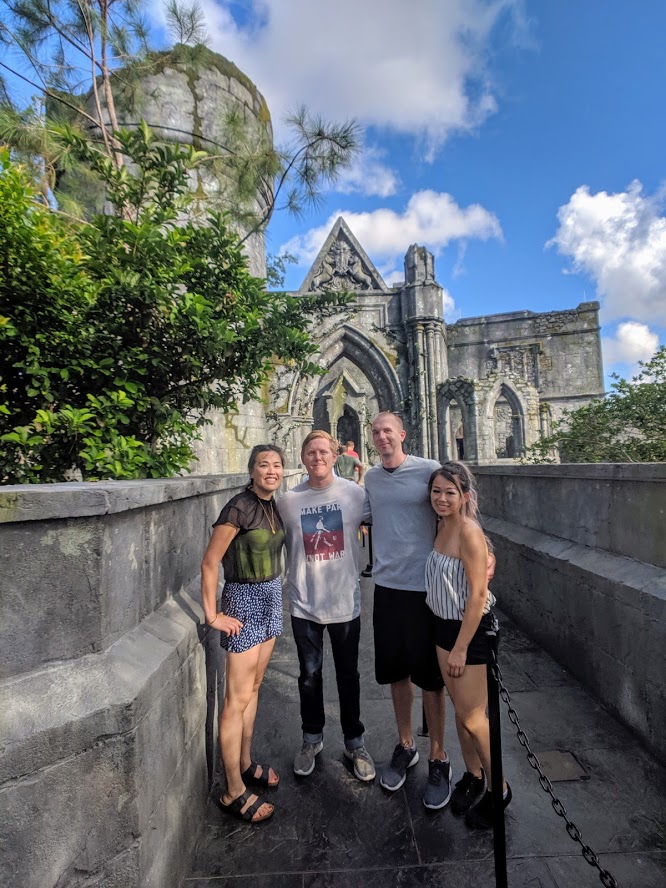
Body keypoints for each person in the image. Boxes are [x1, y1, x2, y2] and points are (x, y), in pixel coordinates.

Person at [363, 412, 450, 809]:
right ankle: (405, 744)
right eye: (375, 432)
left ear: (402, 434)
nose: (382, 437)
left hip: (424, 590)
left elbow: (457, 507)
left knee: (430, 678)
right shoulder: (371, 479)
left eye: (387, 431)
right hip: (387, 587)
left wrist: (483, 551)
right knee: (397, 673)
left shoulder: (430, 470)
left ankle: (439, 756)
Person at [278, 429, 376, 782]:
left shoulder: (355, 494)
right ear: (302, 458)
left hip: (345, 602)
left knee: (348, 675)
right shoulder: (288, 501)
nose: (317, 457)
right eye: (311, 452)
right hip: (304, 604)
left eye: (323, 452)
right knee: (309, 676)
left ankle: (355, 742)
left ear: (335, 456)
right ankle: (311, 738)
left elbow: (392, 521)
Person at [201, 444, 286, 824]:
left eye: (277, 465)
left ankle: (246, 761)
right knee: (235, 699)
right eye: (264, 465)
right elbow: (209, 561)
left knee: (253, 688)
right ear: (252, 471)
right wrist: (212, 615)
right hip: (244, 599)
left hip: (271, 596)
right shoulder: (238, 506)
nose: (271, 470)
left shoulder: (272, 504)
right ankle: (233, 789)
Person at [425, 461, 511, 829]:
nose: (442, 498)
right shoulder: (441, 524)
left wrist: (461, 647)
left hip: (470, 632)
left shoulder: (468, 531)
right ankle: (474, 776)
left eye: (450, 492)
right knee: (462, 713)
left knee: (476, 719)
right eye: (436, 491)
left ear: (464, 496)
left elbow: (478, 594)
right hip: (443, 628)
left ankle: (499, 788)